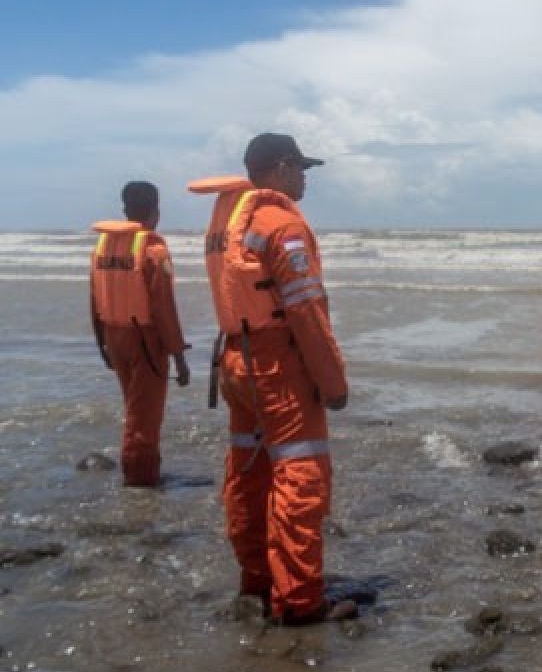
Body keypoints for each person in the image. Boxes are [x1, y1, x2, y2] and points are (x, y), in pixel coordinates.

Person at [188, 133, 353, 624]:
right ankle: (301, 600)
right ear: (281, 169)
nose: (305, 178)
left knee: (249, 470)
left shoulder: (229, 221)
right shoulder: (281, 224)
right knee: (300, 475)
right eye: (301, 168)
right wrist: (334, 384)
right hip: (277, 364)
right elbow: (306, 312)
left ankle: (257, 582)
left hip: (235, 362)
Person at [90, 181, 190, 486]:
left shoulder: (103, 246)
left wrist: (102, 346)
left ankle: (141, 473)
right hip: (144, 341)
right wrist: (179, 357)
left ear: (124, 209)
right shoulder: (153, 250)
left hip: (113, 336)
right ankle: (140, 482)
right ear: (156, 211)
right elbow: (163, 308)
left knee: (135, 410)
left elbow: (94, 300)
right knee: (144, 419)